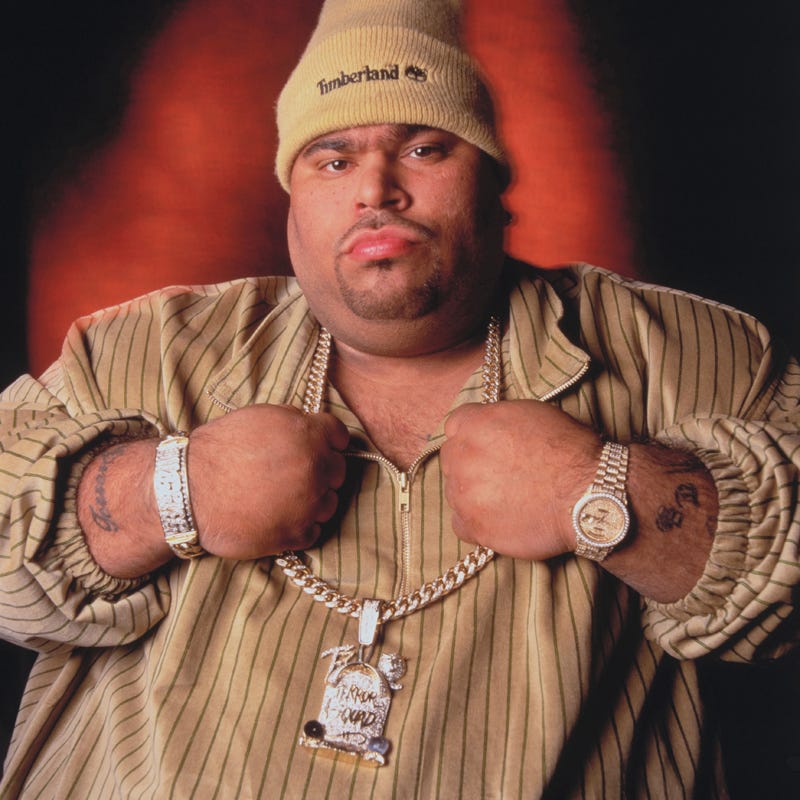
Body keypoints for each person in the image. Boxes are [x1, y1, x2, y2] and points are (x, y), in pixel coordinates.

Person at [1, 0, 798, 796]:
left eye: (423, 148)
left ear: (496, 182)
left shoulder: (682, 352)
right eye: (333, 160)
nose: (375, 189)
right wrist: (170, 489)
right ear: (292, 202)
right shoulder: (143, 352)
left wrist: (597, 489)